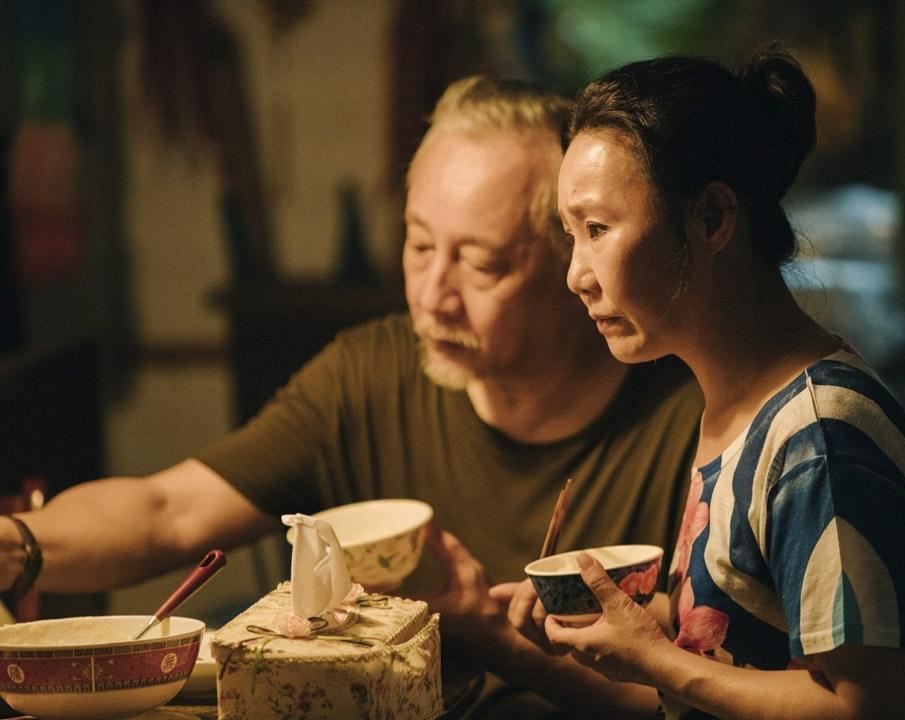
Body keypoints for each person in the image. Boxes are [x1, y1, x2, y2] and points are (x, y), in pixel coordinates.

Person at [0, 76, 703, 718]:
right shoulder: (370, 372)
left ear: (572, 262)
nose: (433, 297)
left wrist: (492, 640)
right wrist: (17, 546)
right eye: (420, 246)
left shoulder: (688, 412)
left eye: (481, 264)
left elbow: (698, 702)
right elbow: (168, 511)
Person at [493, 47, 905, 719]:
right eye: (571, 234)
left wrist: (653, 657)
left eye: (598, 229)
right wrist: (602, 612)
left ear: (714, 218)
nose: (577, 273)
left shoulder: (821, 438)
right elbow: (745, 623)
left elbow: (874, 706)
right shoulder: (736, 406)